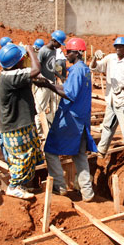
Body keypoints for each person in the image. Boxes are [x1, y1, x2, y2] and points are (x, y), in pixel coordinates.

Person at [34, 38, 97, 200]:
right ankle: (87, 193)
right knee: (80, 155)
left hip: (70, 119)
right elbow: (68, 88)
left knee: (50, 149)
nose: (66, 54)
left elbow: (69, 93)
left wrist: (48, 86)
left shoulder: (76, 70)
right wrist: (49, 84)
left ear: (77, 52)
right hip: (81, 119)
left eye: (69, 51)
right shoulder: (84, 69)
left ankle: (60, 186)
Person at [90, 37, 124, 177]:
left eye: (121, 47)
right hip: (111, 99)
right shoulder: (110, 59)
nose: (118, 49)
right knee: (107, 126)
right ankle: (101, 150)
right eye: (116, 46)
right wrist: (95, 57)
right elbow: (95, 67)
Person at [0, 44, 44, 199]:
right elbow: (36, 69)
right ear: (17, 62)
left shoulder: (11, 75)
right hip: (15, 125)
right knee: (21, 157)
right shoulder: (10, 76)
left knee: (29, 155)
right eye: (22, 58)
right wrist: (31, 50)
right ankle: (14, 186)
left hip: (22, 122)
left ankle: (21, 185)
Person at [35, 30, 66, 130]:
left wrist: (59, 76)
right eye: (59, 43)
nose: (60, 46)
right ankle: (39, 132)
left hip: (51, 82)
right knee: (40, 108)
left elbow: (51, 67)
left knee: (54, 107)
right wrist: (42, 80)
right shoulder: (43, 51)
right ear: (54, 40)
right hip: (43, 84)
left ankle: (51, 128)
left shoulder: (54, 51)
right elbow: (37, 68)